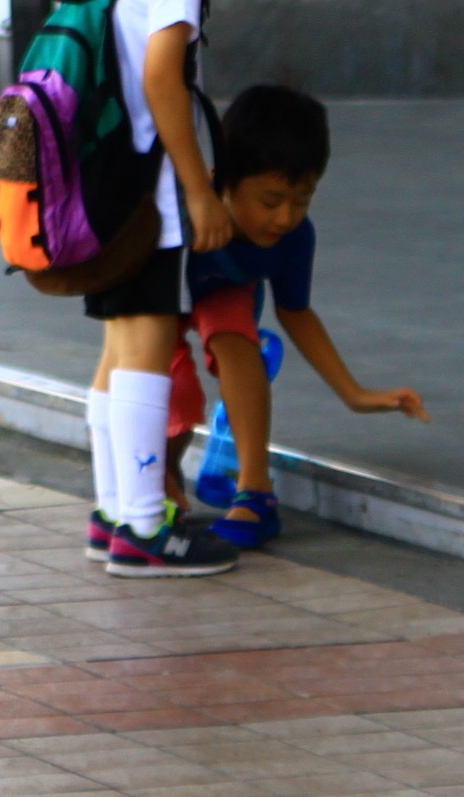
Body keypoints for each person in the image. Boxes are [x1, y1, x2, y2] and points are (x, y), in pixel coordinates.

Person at [70, 0, 291, 579]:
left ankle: (111, 510)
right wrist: (198, 191)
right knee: (147, 342)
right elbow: (165, 76)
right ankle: (142, 524)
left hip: (90, 177)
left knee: (116, 347)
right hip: (143, 185)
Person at [163, 84, 427, 546]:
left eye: (301, 200)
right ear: (223, 180)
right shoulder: (181, 216)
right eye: (270, 201)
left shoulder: (294, 238)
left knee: (234, 338)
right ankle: (158, 474)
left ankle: (255, 493)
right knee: (173, 389)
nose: (285, 217)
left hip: (226, 291)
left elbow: (296, 312)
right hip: (159, 298)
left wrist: (354, 393)